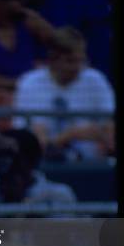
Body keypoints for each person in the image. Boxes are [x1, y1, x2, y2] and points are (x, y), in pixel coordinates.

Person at [13, 26, 115, 160]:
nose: (77, 67)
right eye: (70, 61)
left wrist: (105, 137)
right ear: (53, 59)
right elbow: (34, 136)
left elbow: (109, 127)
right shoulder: (29, 83)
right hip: (44, 157)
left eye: (81, 60)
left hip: (91, 157)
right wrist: (68, 136)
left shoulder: (95, 80)